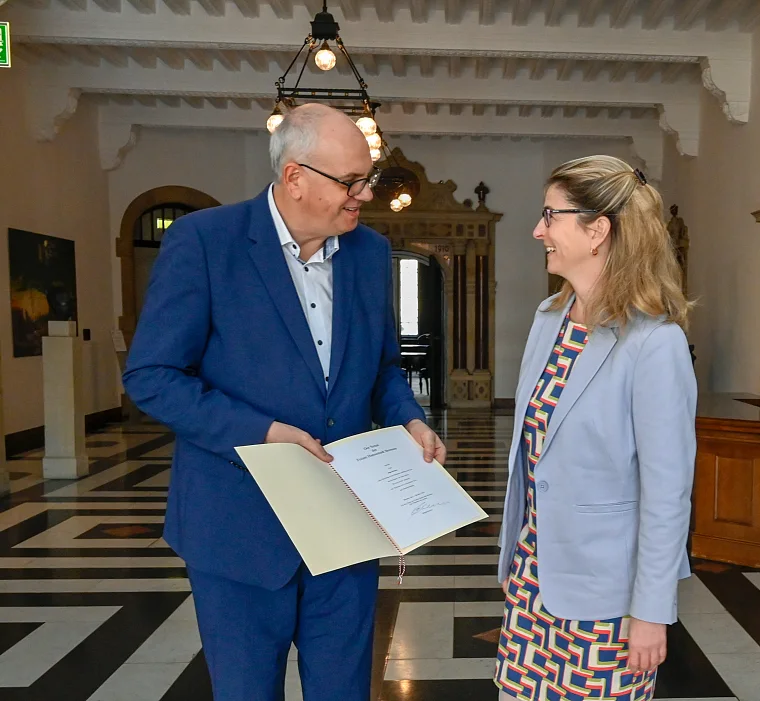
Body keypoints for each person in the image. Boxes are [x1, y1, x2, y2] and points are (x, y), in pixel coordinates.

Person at [122, 103, 445, 701]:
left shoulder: (371, 253)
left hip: (347, 524)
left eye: (366, 179)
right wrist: (263, 431)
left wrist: (409, 418)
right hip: (237, 530)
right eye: (350, 182)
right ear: (294, 176)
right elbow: (152, 375)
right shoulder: (205, 242)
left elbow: (382, 369)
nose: (364, 195)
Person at [495, 156, 696, 700]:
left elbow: (667, 493)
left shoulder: (655, 345)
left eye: (550, 215)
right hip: (534, 580)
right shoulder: (548, 320)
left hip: (609, 600)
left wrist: (651, 612)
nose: (539, 230)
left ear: (598, 230)